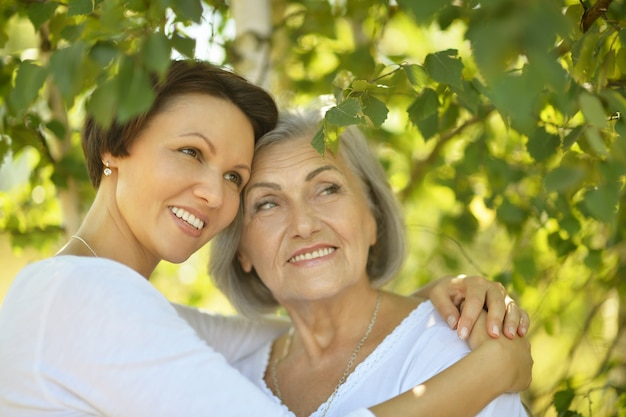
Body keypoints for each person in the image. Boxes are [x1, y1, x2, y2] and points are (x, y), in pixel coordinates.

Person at [0, 59, 527, 417]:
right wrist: (492, 367)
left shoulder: (94, 299)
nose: (211, 191)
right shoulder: (81, 297)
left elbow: (315, 340)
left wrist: (428, 301)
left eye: (233, 176)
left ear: (374, 218)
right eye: (190, 151)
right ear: (114, 145)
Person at [209, 109, 532, 417]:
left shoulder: (456, 350)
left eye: (327, 189)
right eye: (267, 204)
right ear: (241, 251)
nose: (304, 225)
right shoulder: (229, 379)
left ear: (372, 216)